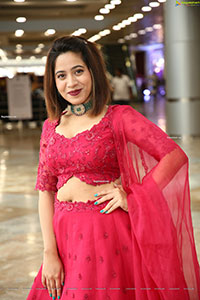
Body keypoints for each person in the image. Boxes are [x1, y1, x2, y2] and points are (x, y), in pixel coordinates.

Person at [26, 36, 200, 300]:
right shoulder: (51, 126)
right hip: (65, 238)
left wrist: (133, 195)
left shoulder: (118, 117)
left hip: (107, 238)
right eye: (61, 75)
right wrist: (49, 252)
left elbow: (173, 156)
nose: (70, 83)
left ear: (93, 72)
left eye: (78, 71)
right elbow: (45, 190)